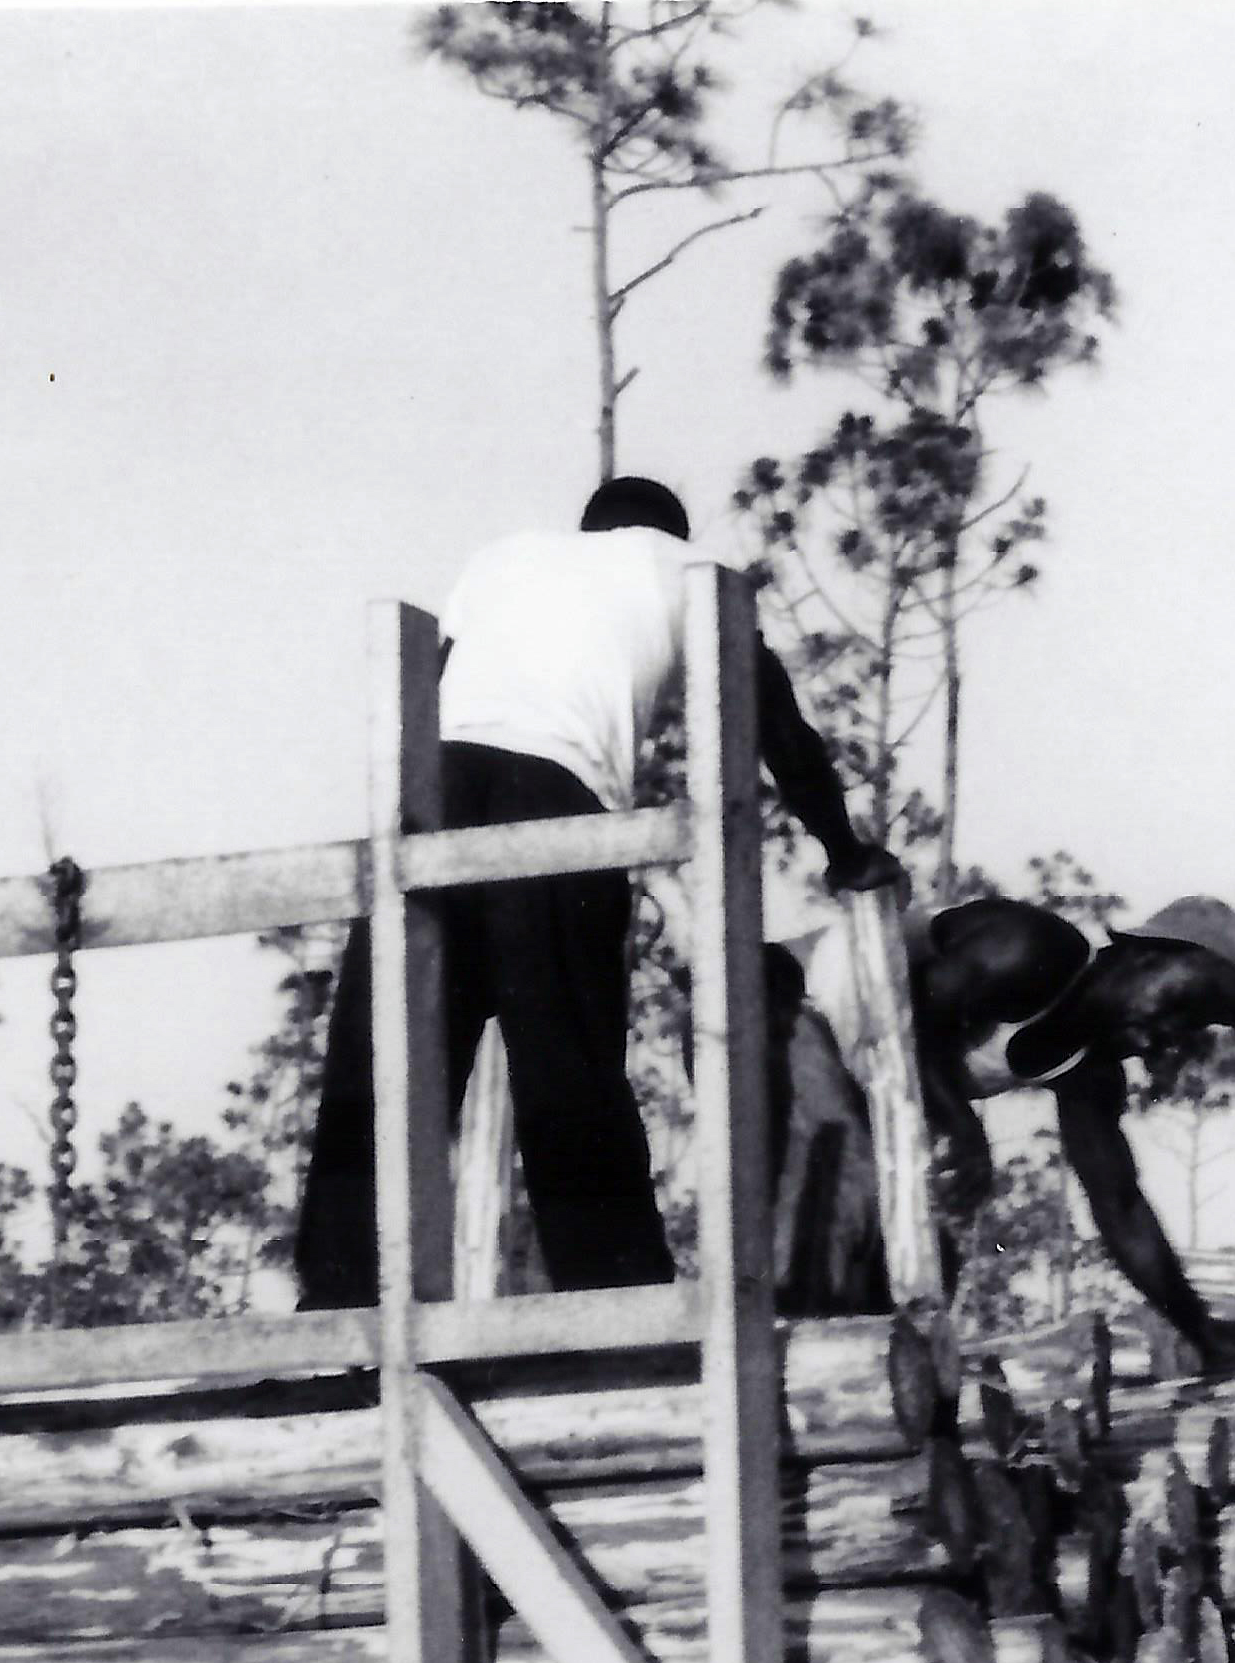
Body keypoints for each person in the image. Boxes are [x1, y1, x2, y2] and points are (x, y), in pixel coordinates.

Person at [292, 476, 906, 1309]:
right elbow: (779, 728)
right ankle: (615, 1308)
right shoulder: (686, 566)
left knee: (386, 1067)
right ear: (666, 530)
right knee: (567, 1069)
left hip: (431, 795)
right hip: (555, 793)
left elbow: (431, 688)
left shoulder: (503, 558)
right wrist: (845, 850)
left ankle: (336, 1312)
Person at [907, 889, 1235, 1369]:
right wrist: (963, 1128)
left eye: (1185, 1030)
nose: (1157, 1040)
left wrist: (1202, 1331)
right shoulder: (1034, 948)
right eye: (1176, 1007)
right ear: (1144, 956)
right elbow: (911, 1013)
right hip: (800, 1013)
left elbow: (1119, 1205)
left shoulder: (1092, 1072)